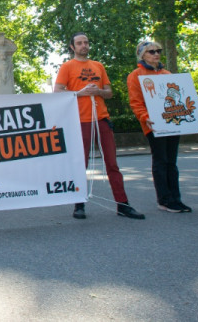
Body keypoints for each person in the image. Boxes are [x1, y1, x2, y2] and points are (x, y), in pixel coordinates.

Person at [54, 32, 144, 220]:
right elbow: (58, 92)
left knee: (112, 163)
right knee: (82, 164)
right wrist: (81, 92)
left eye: (86, 42)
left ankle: (123, 204)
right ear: (72, 47)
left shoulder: (98, 66)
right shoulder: (67, 66)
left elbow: (109, 92)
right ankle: (79, 204)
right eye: (79, 43)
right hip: (80, 120)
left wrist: (100, 91)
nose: (83, 46)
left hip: (101, 119)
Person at [126, 41, 191, 213]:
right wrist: (145, 118)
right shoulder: (136, 75)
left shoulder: (167, 74)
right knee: (161, 160)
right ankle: (164, 200)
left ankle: (176, 199)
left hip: (172, 122)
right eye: (151, 51)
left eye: (158, 51)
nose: (156, 54)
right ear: (142, 55)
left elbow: (181, 98)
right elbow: (136, 102)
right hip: (153, 125)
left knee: (172, 162)